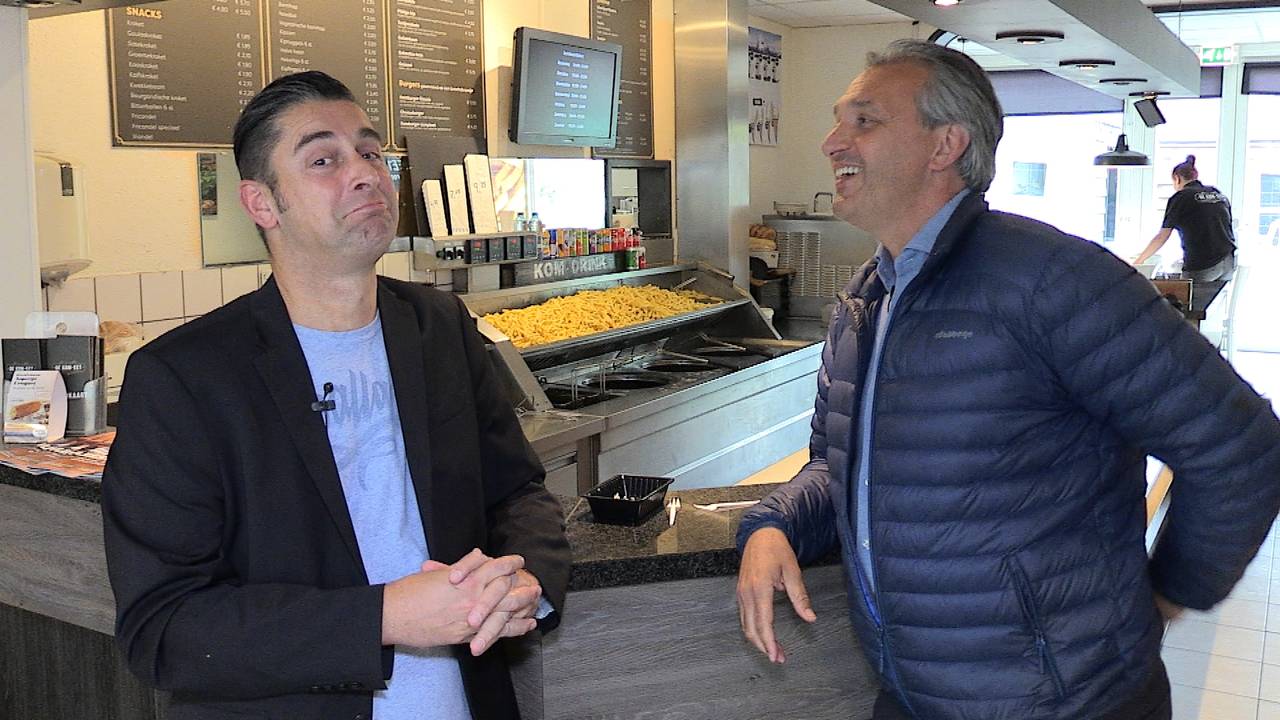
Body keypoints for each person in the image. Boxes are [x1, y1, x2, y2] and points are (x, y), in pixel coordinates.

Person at [735, 40, 1280, 720]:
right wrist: (774, 523)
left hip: (1067, 702)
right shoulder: (867, 300)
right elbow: (839, 466)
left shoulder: (1054, 279)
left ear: (945, 145)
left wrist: (1168, 594)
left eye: (864, 121)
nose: (831, 142)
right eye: (839, 121)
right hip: (913, 695)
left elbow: (1241, 449)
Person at [102, 71, 571, 720]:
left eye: (370, 152)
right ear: (261, 204)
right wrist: (383, 616)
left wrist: (528, 579)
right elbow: (165, 627)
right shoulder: (184, 379)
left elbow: (516, 491)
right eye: (323, 160)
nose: (364, 173)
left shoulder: (438, 326)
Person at [1133, 154, 1237, 283]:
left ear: (1177, 178)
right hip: (1228, 260)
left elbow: (1162, 237)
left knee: (1188, 295)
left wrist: (1138, 262)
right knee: (1218, 296)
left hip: (1204, 263)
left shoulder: (1181, 197)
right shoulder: (1216, 193)